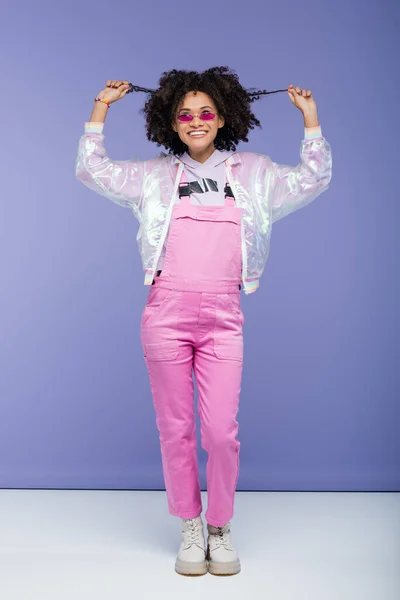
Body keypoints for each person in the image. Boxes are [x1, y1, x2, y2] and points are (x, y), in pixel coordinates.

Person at [75, 66, 332, 577]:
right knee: (175, 429)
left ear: (222, 119)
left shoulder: (254, 172)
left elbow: (312, 179)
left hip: (223, 314)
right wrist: (101, 110)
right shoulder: (154, 176)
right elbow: (94, 170)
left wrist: (311, 122)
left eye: (205, 113)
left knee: (220, 432)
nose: (196, 121)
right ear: (170, 123)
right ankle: (189, 524)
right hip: (164, 314)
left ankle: (220, 525)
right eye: (185, 114)